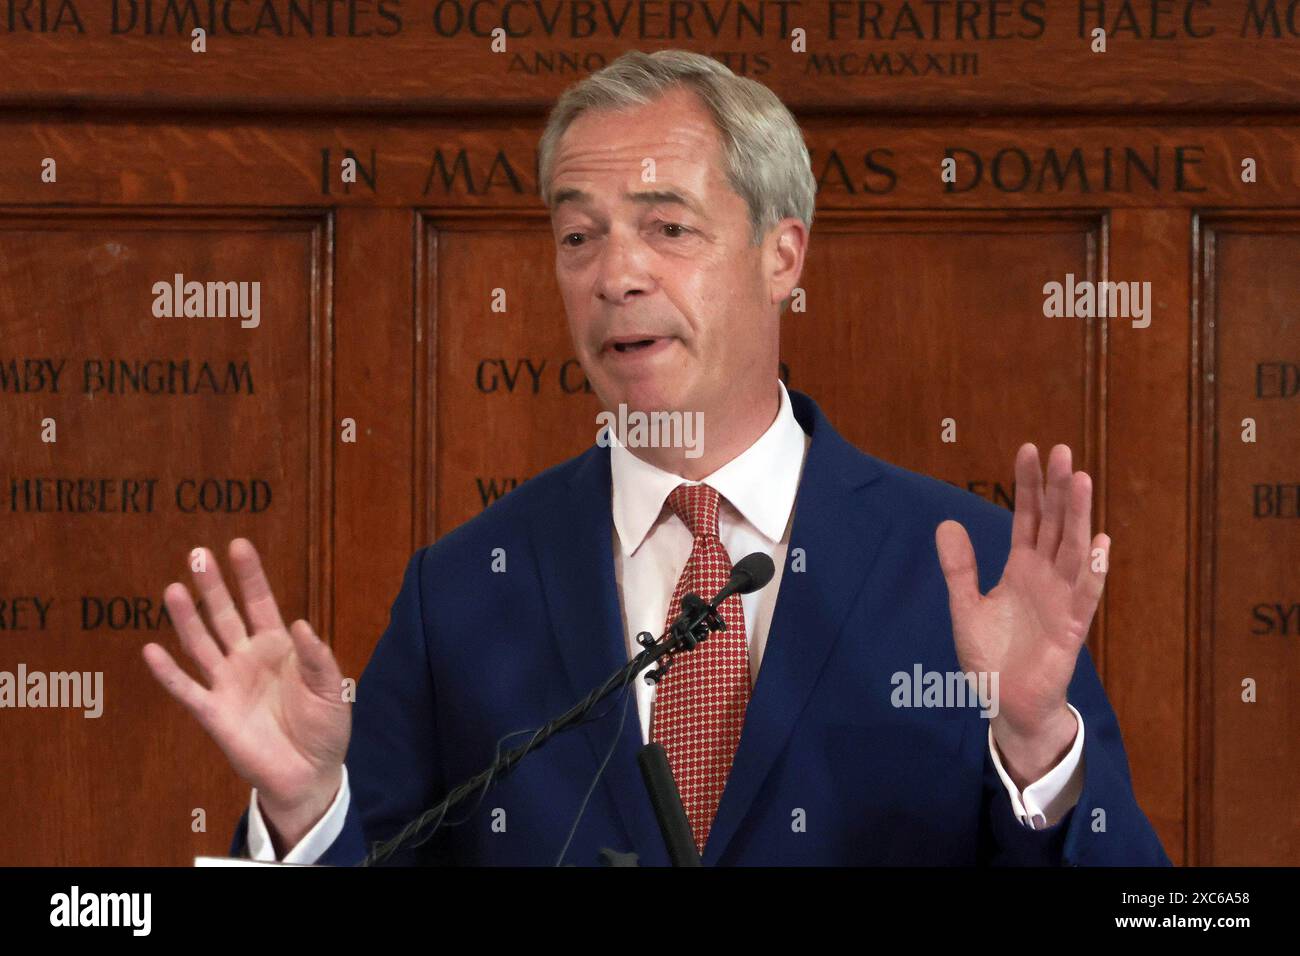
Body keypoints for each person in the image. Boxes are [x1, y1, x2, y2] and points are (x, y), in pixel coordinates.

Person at [142, 49, 1170, 866]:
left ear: (782, 253)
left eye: (665, 227)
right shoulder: (460, 587)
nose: (614, 275)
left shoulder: (969, 567)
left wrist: (1040, 748)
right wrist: (302, 811)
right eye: (577, 237)